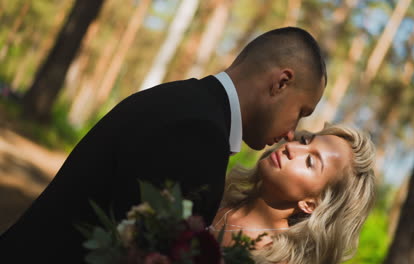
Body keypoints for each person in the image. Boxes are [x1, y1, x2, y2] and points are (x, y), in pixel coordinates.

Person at [0, 27, 327, 262]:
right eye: (301, 113)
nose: (290, 134)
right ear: (281, 83)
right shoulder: (199, 136)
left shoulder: (185, 99)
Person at [209, 124, 376, 264]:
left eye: (310, 161)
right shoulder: (214, 193)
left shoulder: (276, 259)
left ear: (311, 204)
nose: (291, 147)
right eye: (304, 141)